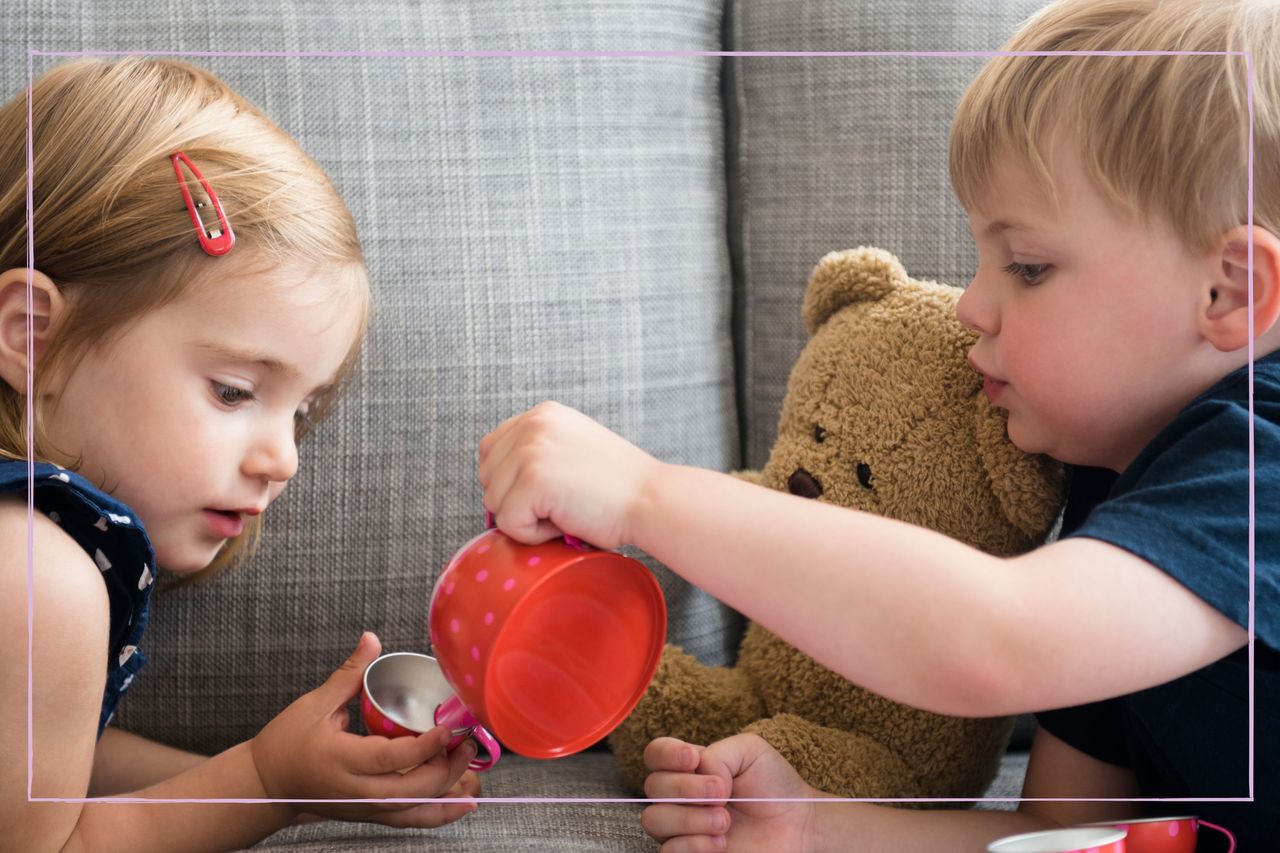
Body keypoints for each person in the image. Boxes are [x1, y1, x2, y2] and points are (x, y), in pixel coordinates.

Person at [477, 0, 1279, 848]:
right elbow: (1056, 834)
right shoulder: (1118, 489)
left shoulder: (1260, 463)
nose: (973, 305)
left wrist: (644, 495)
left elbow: (996, 636)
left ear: (1231, 290)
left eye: (1029, 267)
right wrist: (813, 826)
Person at [0, 58, 479, 852]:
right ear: (34, 338)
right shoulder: (36, 574)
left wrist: (300, 775)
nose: (284, 459)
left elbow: (53, 765)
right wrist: (264, 782)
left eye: (304, 410)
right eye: (231, 391)